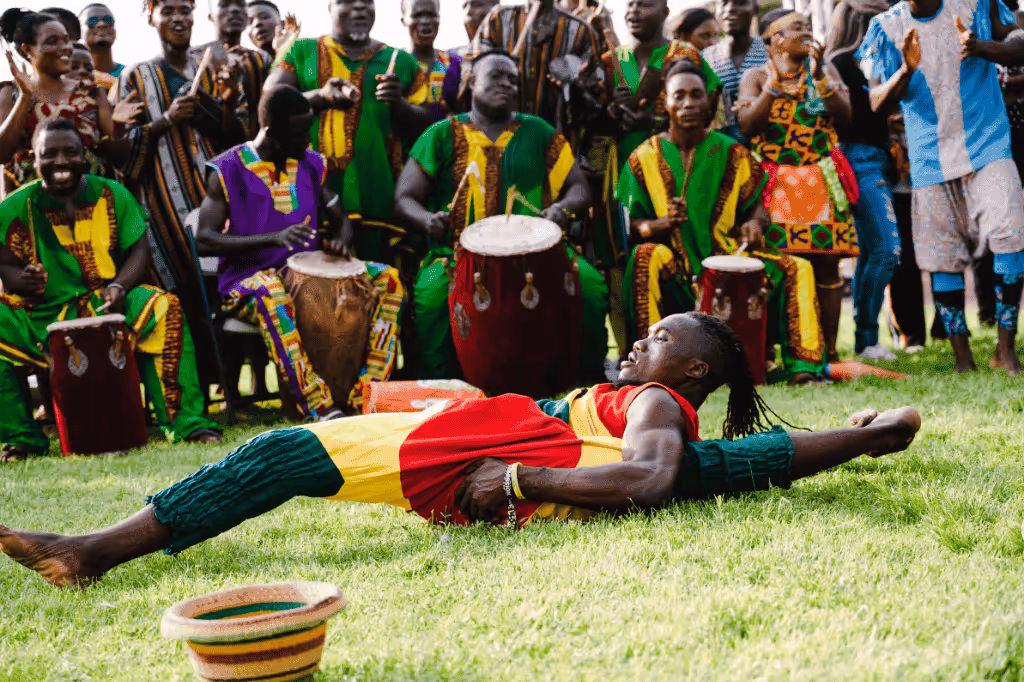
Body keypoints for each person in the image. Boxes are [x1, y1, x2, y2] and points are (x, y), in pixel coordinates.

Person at [0, 311, 922, 588]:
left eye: (658, 335)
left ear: (692, 368)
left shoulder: (655, 403)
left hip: (477, 456)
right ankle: (877, 439)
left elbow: (651, 477)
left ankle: (91, 553)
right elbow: (716, 468)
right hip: (481, 436)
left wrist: (516, 474)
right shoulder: (641, 394)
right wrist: (870, 434)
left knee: (279, 454)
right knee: (725, 475)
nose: (640, 339)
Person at [0, 119, 223, 463]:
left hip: (105, 303)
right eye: (50, 154)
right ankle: (22, 440)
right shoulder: (15, 207)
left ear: (84, 155)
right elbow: (5, 265)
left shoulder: (112, 193)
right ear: (34, 157)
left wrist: (120, 285)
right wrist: (19, 279)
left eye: (70, 152)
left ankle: (185, 422)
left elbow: (139, 251)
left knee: (164, 307)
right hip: (41, 313)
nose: (61, 161)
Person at [393, 50, 607, 383]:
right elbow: (405, 197)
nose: (507, 83)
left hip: (539, 251)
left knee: (590, 288)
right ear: (471, 81)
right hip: (458, 253)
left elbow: (578, 188)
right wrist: (426, 220)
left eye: (512, 79)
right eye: (497, 76)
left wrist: (562, 211)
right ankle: (444, 388)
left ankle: (586, 382)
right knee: (432, 297)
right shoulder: (441, 134)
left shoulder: (538, 131)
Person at [196, 85, 404, 417]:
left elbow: (342, 218)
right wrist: (273, 238)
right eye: (298, 134)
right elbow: (204, 239)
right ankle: (316, 405)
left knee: (388, 280)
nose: (307, 141)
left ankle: (364, 397)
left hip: (309, 279)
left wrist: (343, 241)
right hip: (246, 287)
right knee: (272, 291)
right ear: (271, 132)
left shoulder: (309, 164)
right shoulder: (227, 169)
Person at [618, 60, 826, 385]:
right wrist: (662, 223)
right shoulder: (641, 158)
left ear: (708, 100)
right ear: (665, 102)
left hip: (731, 263)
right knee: (644, 256)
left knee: (796, 268)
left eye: (696, 95)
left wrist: (756, 224)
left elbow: (757, 207)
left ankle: (804, 368)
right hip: (676, 275)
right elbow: (629, 226)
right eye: (679, 96)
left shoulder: (733, 153)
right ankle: (649, 366)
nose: (688, 103)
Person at [857, 0, 1024, 373]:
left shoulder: (975, 4)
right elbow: (875, 102)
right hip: (930, 161)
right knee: (941, 256)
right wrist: (905, 69)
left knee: (1010, 235)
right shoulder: (886, 27)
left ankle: (1005, 350)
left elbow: (1018, 44)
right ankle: (963, 358)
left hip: (989, 147)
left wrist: (982, 47)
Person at [119, 0, 247, 384]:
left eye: (185, 10)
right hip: (162, 205)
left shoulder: (210, 71)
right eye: (168, 10)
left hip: (215, 201)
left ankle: (228, 382)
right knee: (182, 295)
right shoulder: (135, 76)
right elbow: (124, 149)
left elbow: (235, 137)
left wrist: (221, 104)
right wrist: (166, 120)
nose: (179, 18)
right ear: (150, 16)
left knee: (222, 291)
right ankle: (192, 389)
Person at [263, 0, 431, 267]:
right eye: (348, 2)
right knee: (309, 284)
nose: (360, 8)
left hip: (379, 197)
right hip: (309, 195)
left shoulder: (401, 61)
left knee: (379, 284)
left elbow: (430, 126)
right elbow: (270, 102)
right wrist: (320, 96)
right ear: (329, 7)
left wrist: (400, 104)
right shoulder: (301, 51)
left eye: (367, 2)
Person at [738, 10, 857, 365]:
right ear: (774, 40)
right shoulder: (756, 77)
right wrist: (773, 86)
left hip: (819, 181)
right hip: (774, 188)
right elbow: (746, 125)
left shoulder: (824, 73)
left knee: (827, 267)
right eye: (796, 28)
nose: (806, 32)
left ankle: (830, 351)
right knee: (779, 267)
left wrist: (819, 77)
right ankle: (777, 350)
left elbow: (846, 116)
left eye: (809, 26)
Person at [826, 0, 902, 360]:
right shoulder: (839, 64)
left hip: (877, 157)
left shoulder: (873, 61)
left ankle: (865, 339)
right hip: (857, 160)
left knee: (873, 251)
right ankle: (867, 338)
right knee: (887, 250)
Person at [0, 9, 119, 194]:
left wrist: (124, 122)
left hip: (93, 209)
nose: (64, 48)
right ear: (27, 49)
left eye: (66, 40)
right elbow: (2, 154)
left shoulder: (92, 92)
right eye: (52, 42)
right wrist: (25, 98)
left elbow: (120, 154)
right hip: (33, 213)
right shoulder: (10, 93)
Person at [476, 0, 601, 132]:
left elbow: (596, 100)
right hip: (502, 142)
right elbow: (471, 77)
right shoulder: (498, 20)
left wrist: (573, 86)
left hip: (554, 143)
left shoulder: (580, 32)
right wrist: (499, 69)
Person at [199, 0, 271, 140]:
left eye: (240, 4)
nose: (234, 9)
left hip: (256, 155)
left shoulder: (261, 59)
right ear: (211, 17)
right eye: (224, 5)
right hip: (210, 155)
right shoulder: (196, 60)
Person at [702, 0, 768, 142]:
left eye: (741, 2)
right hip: (723, 153)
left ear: (755, 9)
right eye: (723, 3)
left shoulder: (771, 52)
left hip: (770, 153)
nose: (730, 9)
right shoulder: (704, 59)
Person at [402, 0, 463, 123]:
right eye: (417, 15)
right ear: (404, 20)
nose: (425, 21)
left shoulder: (455, 64)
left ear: (439, 19)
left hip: (446, 140)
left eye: (431, 14)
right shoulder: (394, 62)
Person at [78, 4, 123, 94]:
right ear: (79, 33)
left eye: (108, 20)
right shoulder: (70, 78)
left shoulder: (132, 75)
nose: (102, 24)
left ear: (114, 32)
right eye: (92, 21)